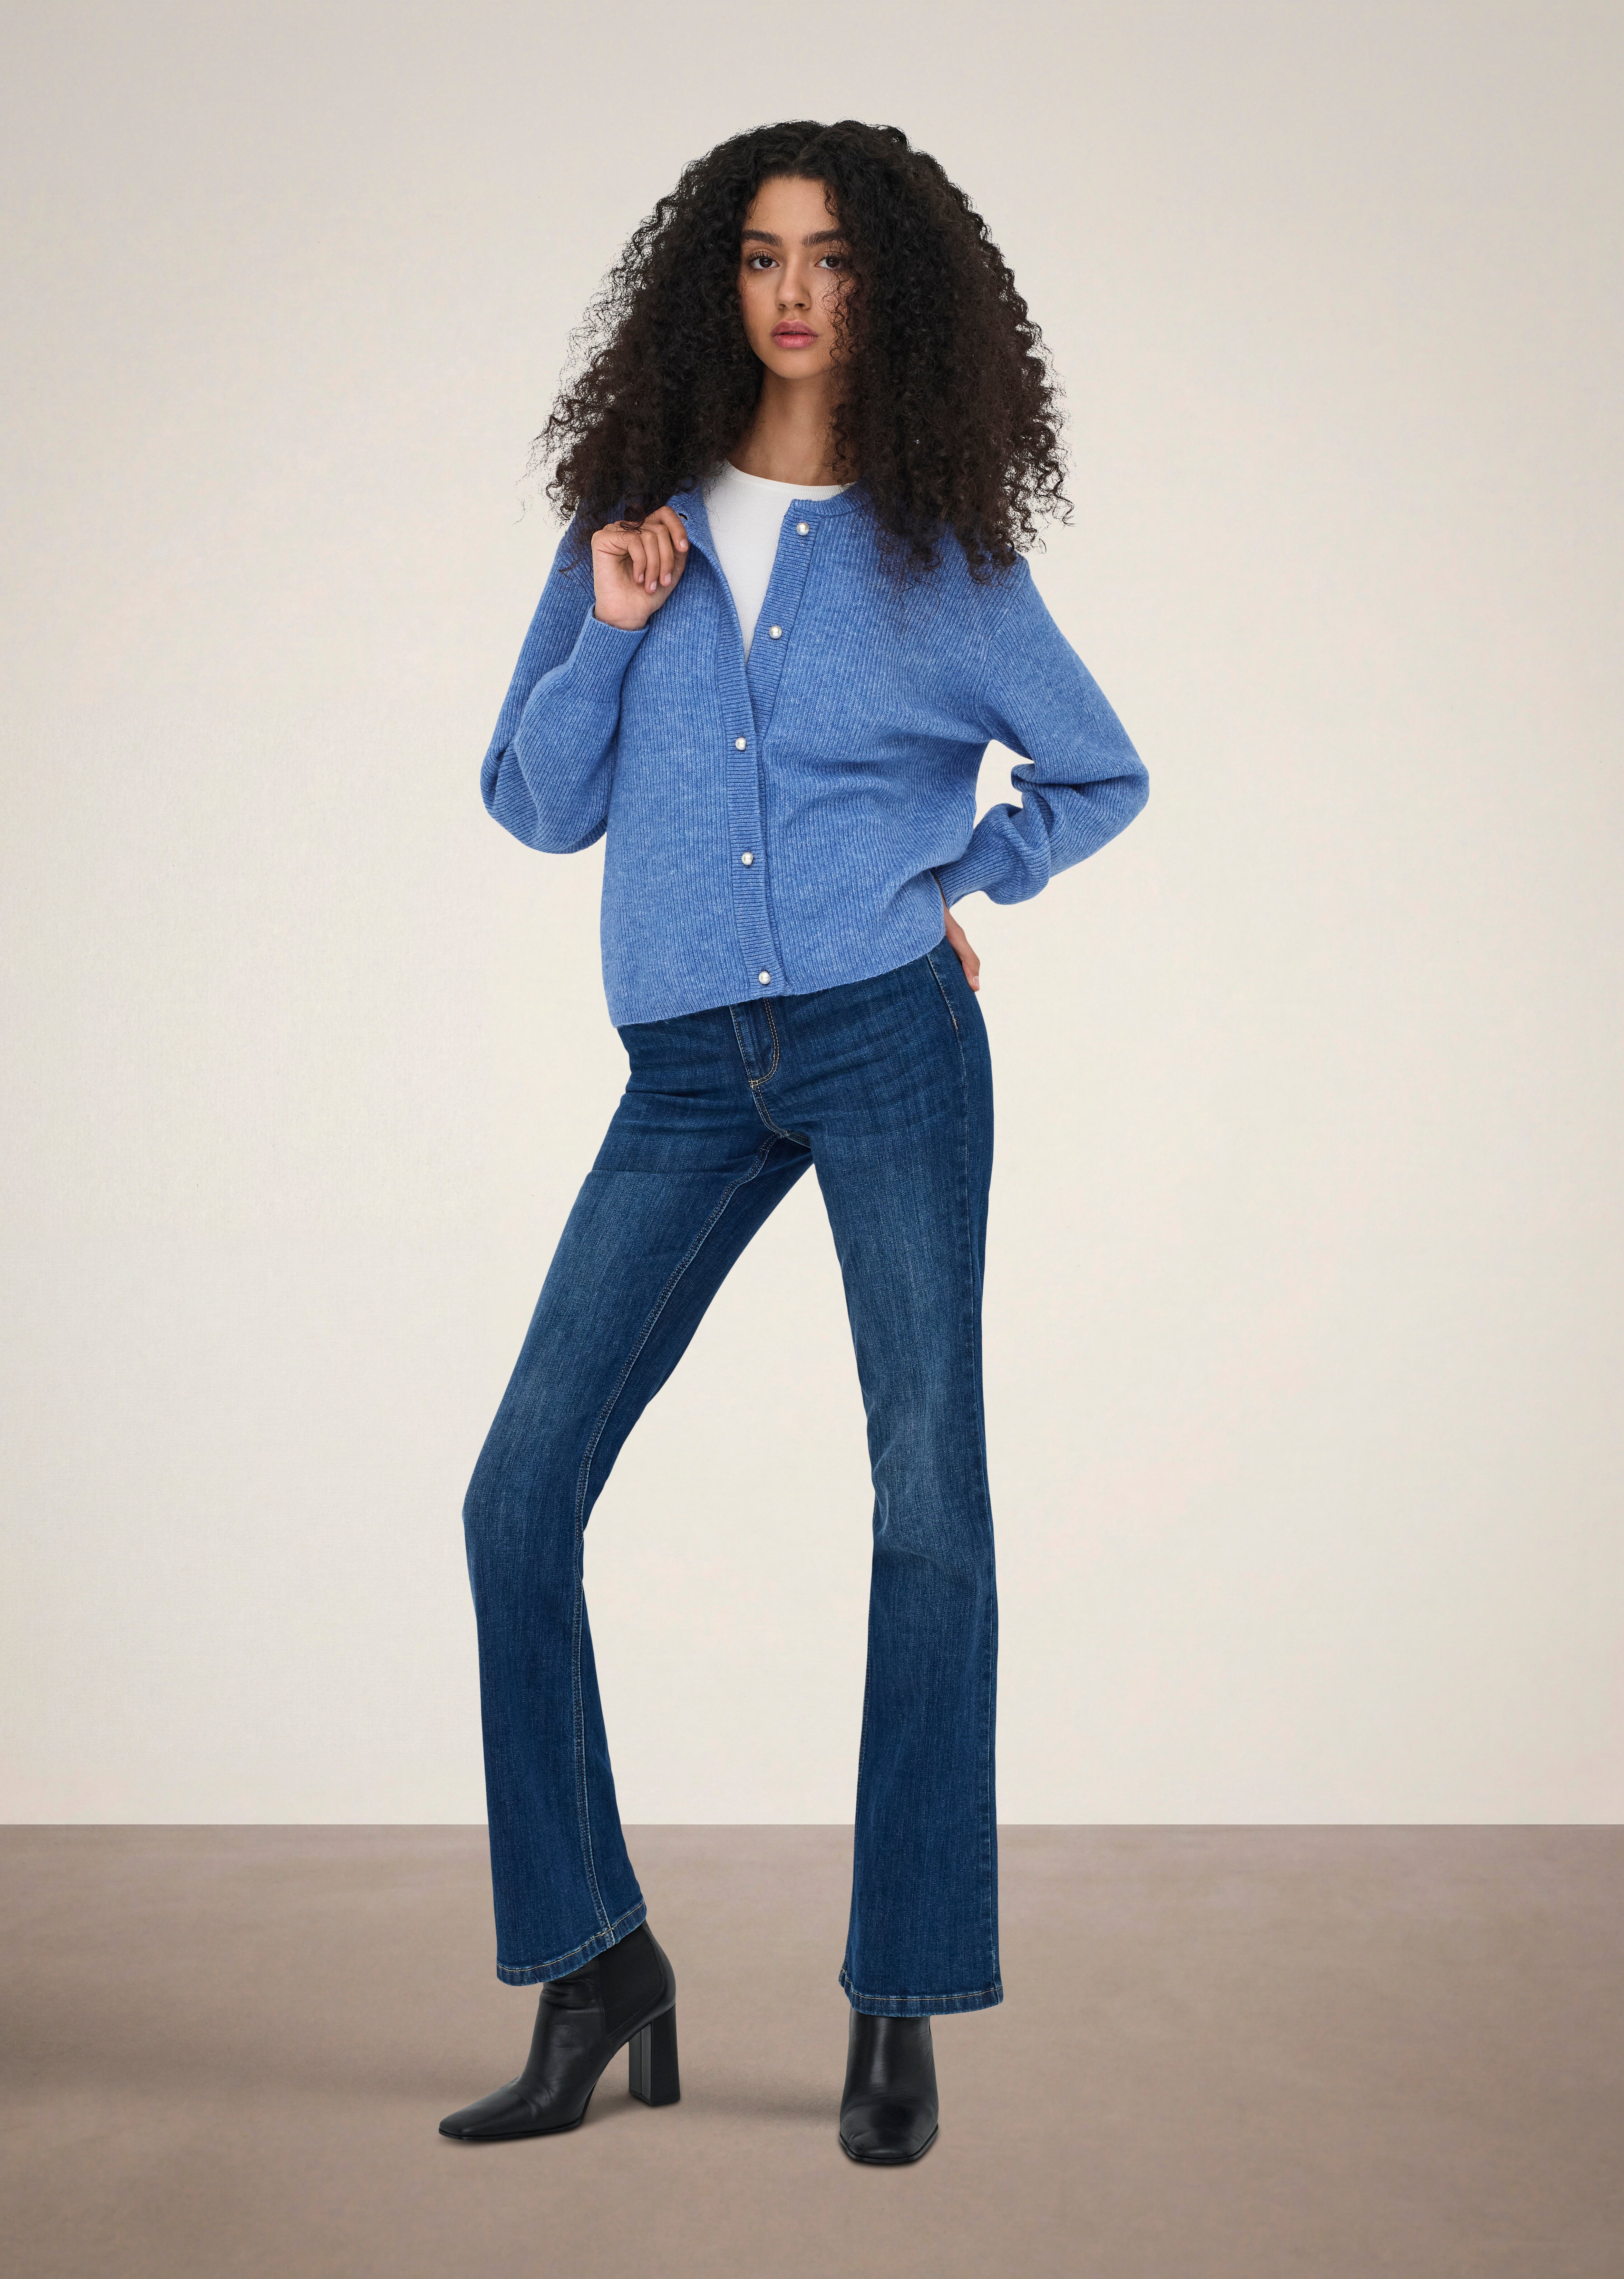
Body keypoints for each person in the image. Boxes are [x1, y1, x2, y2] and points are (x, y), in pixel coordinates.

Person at [439, 118, 1148, 2165]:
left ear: (884, 287)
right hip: (683, 1069)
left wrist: (960, 879)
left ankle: (898, 1999)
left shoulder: (945, 559)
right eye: (761, 255)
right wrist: (608, 622)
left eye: (831, 257)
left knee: (928, 1507)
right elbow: (535, 804)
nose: (795, 292)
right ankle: (595, 1967)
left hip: (886, 1041)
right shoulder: (631, 523)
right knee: (515, 1499)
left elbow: (1098, 773)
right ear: (714, 282)